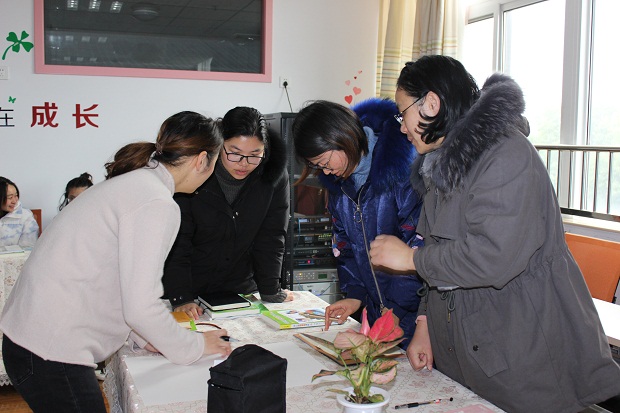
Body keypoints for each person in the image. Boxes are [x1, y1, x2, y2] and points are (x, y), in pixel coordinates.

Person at [368, 55, 620, 413]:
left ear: (431, 103)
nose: (402, 128)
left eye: (402, 114)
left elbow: (492, 257)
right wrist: (425, 323)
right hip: (469, 351)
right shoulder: (440, 164)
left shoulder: (506, 154)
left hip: (521, 351)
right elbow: (437, 251)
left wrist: (410, 259)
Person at [0, 111, 231, 413]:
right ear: (202, 160)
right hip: (50, 348)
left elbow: (119, 281)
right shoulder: (156, 202)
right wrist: (195, 346)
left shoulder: (136, 184)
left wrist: (149, 338)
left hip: (32, 339)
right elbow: (141, 305)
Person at [292, 98, 424, 347]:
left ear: (342, 138)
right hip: (377, 315)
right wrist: (355, 296)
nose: (326, 172)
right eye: (317, 166)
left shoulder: (401, 173)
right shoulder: (341, 187)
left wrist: (396, 309)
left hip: (415, 316)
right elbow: (345, 247)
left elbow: (419, 249)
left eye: (325, 162)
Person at [163, 106, 293, 320]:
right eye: (234, 153)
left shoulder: (273, 175)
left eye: (254, 155)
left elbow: (271, 236)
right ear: (219, 144)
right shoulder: (195, 172)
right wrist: (181, 296)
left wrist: (270, 289)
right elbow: (178, 239)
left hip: (238, 288)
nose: (244, 163)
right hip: (186, 285)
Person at [0, 177, 39, 247]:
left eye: (16, 195)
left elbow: (28, 247)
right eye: (10, 197)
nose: (14, 201)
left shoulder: (25, 216)